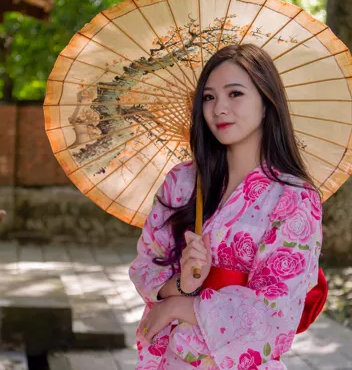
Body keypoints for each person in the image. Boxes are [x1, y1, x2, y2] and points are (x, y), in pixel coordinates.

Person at [128, 44, 325, 370]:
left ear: (266, 103)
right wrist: (182, 284)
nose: (219, 108)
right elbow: (146, 266)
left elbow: (274, 312)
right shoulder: (182, 182)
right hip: (173, 360)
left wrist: (179, 307)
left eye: (235, 94)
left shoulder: (294, 198)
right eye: (208, 97)